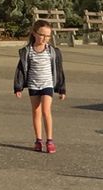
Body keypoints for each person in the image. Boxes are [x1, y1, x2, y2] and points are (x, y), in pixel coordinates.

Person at [13, 19, 67, 153]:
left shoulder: (52, 52)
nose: (44, 38)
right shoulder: (27, 51)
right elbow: (20, 70)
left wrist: (61, 88)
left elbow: (59, 70)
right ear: (34, 34)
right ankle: (38, 139)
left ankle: (50, 140)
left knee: (45, 111)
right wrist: (18, 87)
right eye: (42, 35)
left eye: (48, 36)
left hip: (47, 84)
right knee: (36, 111)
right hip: (33, 85)